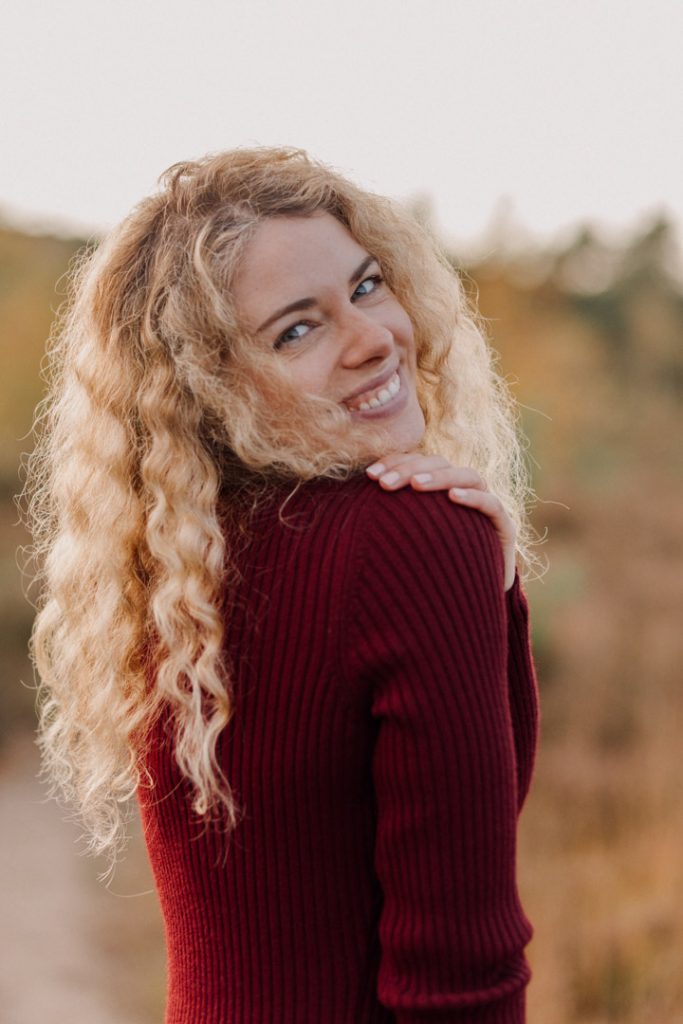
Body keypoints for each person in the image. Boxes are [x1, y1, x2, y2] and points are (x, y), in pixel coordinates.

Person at [21, 146, 542, 1023]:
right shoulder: (409, 540)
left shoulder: (174, 573)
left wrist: (493, 593)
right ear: (210, 385)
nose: (374, 338)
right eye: (297, 329)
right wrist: (468, 566)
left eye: (368, 285)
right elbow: (460, 967)